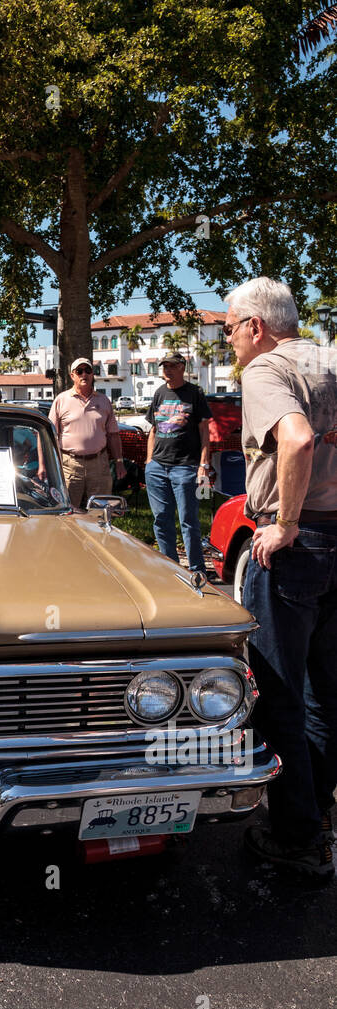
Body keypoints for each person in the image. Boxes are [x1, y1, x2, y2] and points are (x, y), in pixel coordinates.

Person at [225, 276, 337, 881]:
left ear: (256, 327)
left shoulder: (266, 370)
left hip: (295, 546)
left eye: (229, 328)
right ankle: (317, 815)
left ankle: (295, 835)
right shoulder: (329, 360)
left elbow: (294, 438)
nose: (229, 341)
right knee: (327, 692)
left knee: (277, 691)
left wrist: (286, 523)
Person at [143, 352, 212, 574]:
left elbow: (204, 431)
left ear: (182, 367)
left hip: (185, 467)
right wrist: (148, 462)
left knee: (188, 520)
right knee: (161, 519)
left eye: (172, 366)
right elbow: (153, 429)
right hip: (157, 468)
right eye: (164, 366)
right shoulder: (159, 393)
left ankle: (196, 571)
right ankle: (170, 569)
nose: (167, 370)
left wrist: (203, 464)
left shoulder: (194, 393)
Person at [48, 359, 125, 509]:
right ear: (72, 376)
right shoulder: (61, 400)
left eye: (88, 371)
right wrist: (46, 465)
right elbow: (49, 436)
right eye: (79, 371)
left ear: (93, 374)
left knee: (100, 512)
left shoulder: (104, 401)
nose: (84, 375)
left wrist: (119, 462)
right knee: (67, 511)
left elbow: (113, 435)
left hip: (99, 465)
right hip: (69, 465)